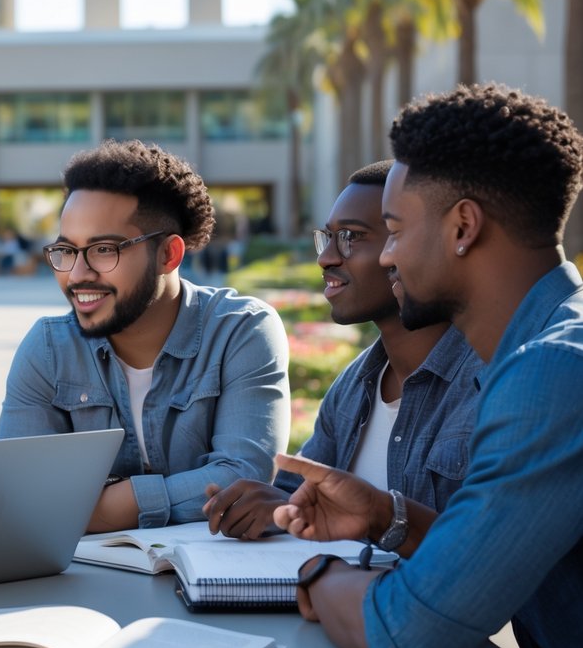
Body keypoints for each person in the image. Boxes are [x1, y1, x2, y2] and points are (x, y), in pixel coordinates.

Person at [275, 84, 583, 648]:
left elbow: (407, 633)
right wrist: (390, 516)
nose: (386, 258)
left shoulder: (553, 371)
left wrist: (314, 573)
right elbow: (498, 548)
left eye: (392, 231)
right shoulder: (544, 352)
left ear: (463, 227)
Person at [0, 139, 290, 531]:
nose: (78, 274)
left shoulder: (241, 330)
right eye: (66, 251)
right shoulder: (49, 349)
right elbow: (16, 497)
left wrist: (98, 510)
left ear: (169, 255)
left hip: (214, 580)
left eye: (103, 250)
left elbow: (242, 479)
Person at [203, 161, 482, 539]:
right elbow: (295, 495)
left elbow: (487, 552)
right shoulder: (355, 384)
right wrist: (274, 508)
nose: (326, 258)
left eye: (351, 237)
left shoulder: (488, 383)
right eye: (328, 237)